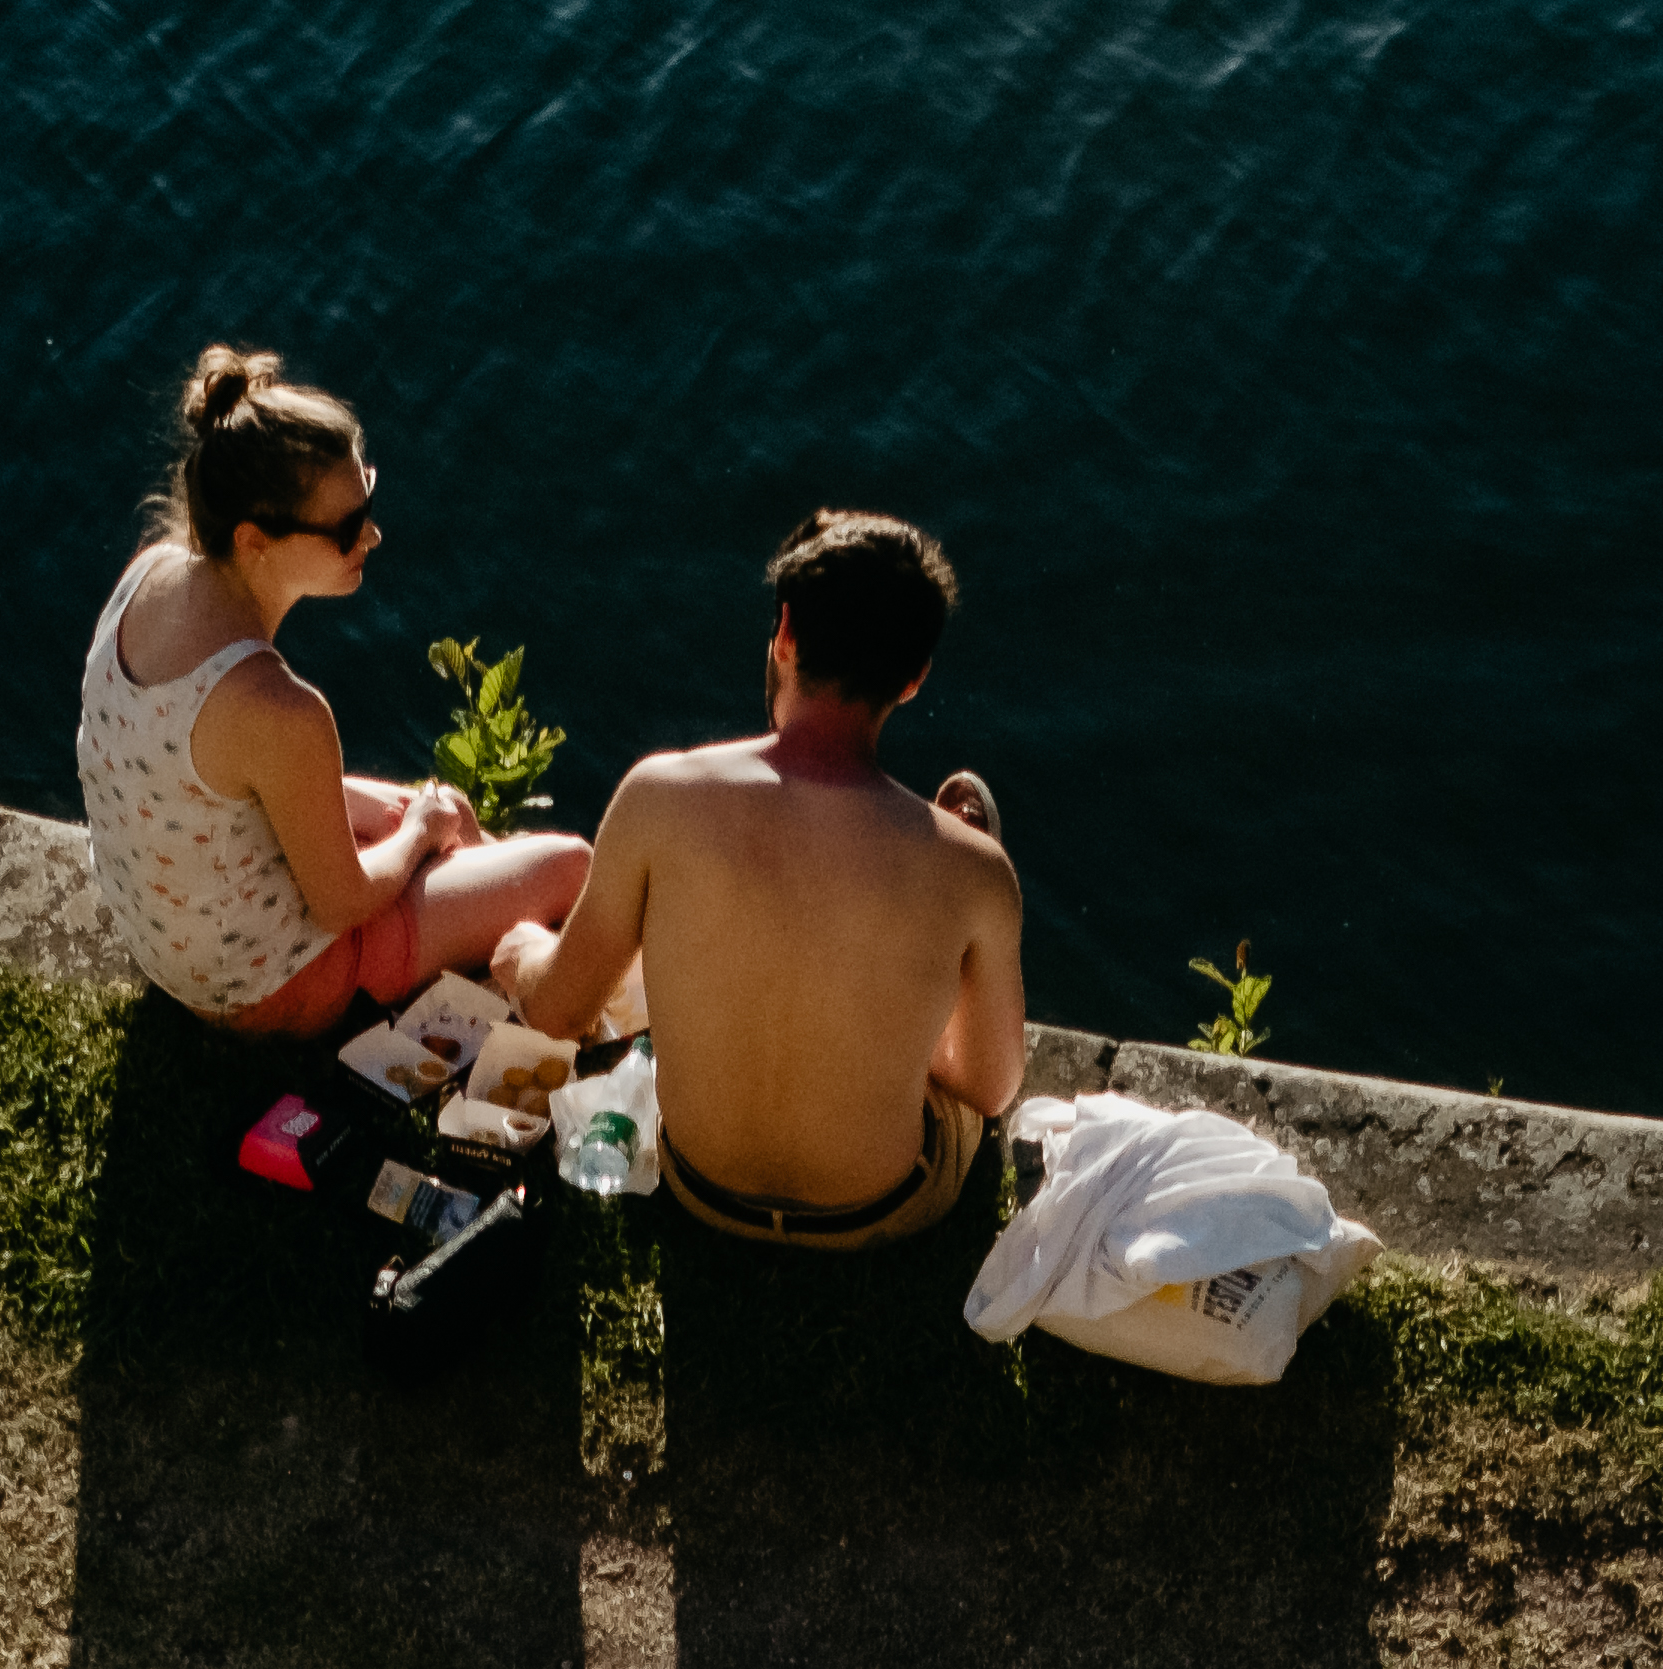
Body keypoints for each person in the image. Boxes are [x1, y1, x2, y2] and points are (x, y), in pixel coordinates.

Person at [509, 509, 1022, 1254]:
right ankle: (933, 927)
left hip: (700, 1189)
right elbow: (991, 1089)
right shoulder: (981, 872)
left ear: (785, 634)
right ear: (913, 680)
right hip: (880, 1208)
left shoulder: (659, 795)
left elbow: (559, 1009)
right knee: (951, 992)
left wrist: (523, 948)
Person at [74, 348, 591, 1040]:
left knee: (444, 809)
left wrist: (416, 821)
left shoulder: (150, 574)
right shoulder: (276, 706)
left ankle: (481, 933)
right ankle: (513, 974)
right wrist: (411, 838)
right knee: (570, 865)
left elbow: (205, 783)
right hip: (266, 989)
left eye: (366, 500)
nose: (372, 536)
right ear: (255, 540)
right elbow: (342, 903)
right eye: (346, 528)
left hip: (172, 940)